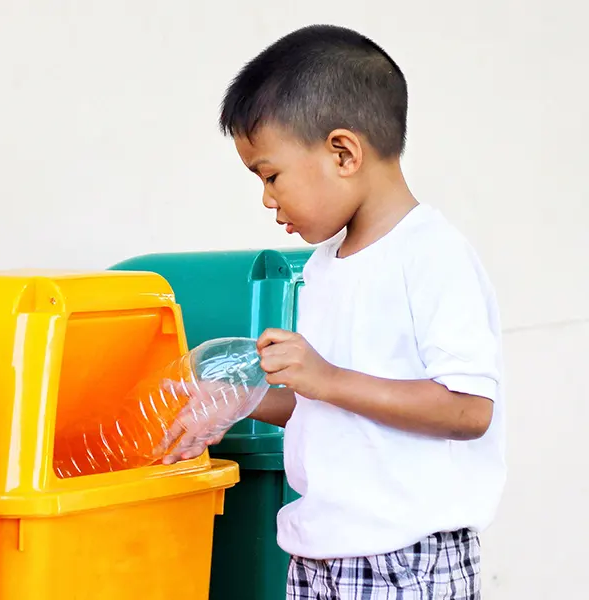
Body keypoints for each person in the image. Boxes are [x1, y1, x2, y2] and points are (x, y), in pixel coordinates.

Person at [162, 24, 504, 599]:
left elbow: (469, 410)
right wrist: (237, 404)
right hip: (321, 552)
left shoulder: (432, 255)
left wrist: (326, 377)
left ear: (343, 152)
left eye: (270, 175)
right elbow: (327, 404)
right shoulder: (322, 266)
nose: (267, 198)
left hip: (404, 556)